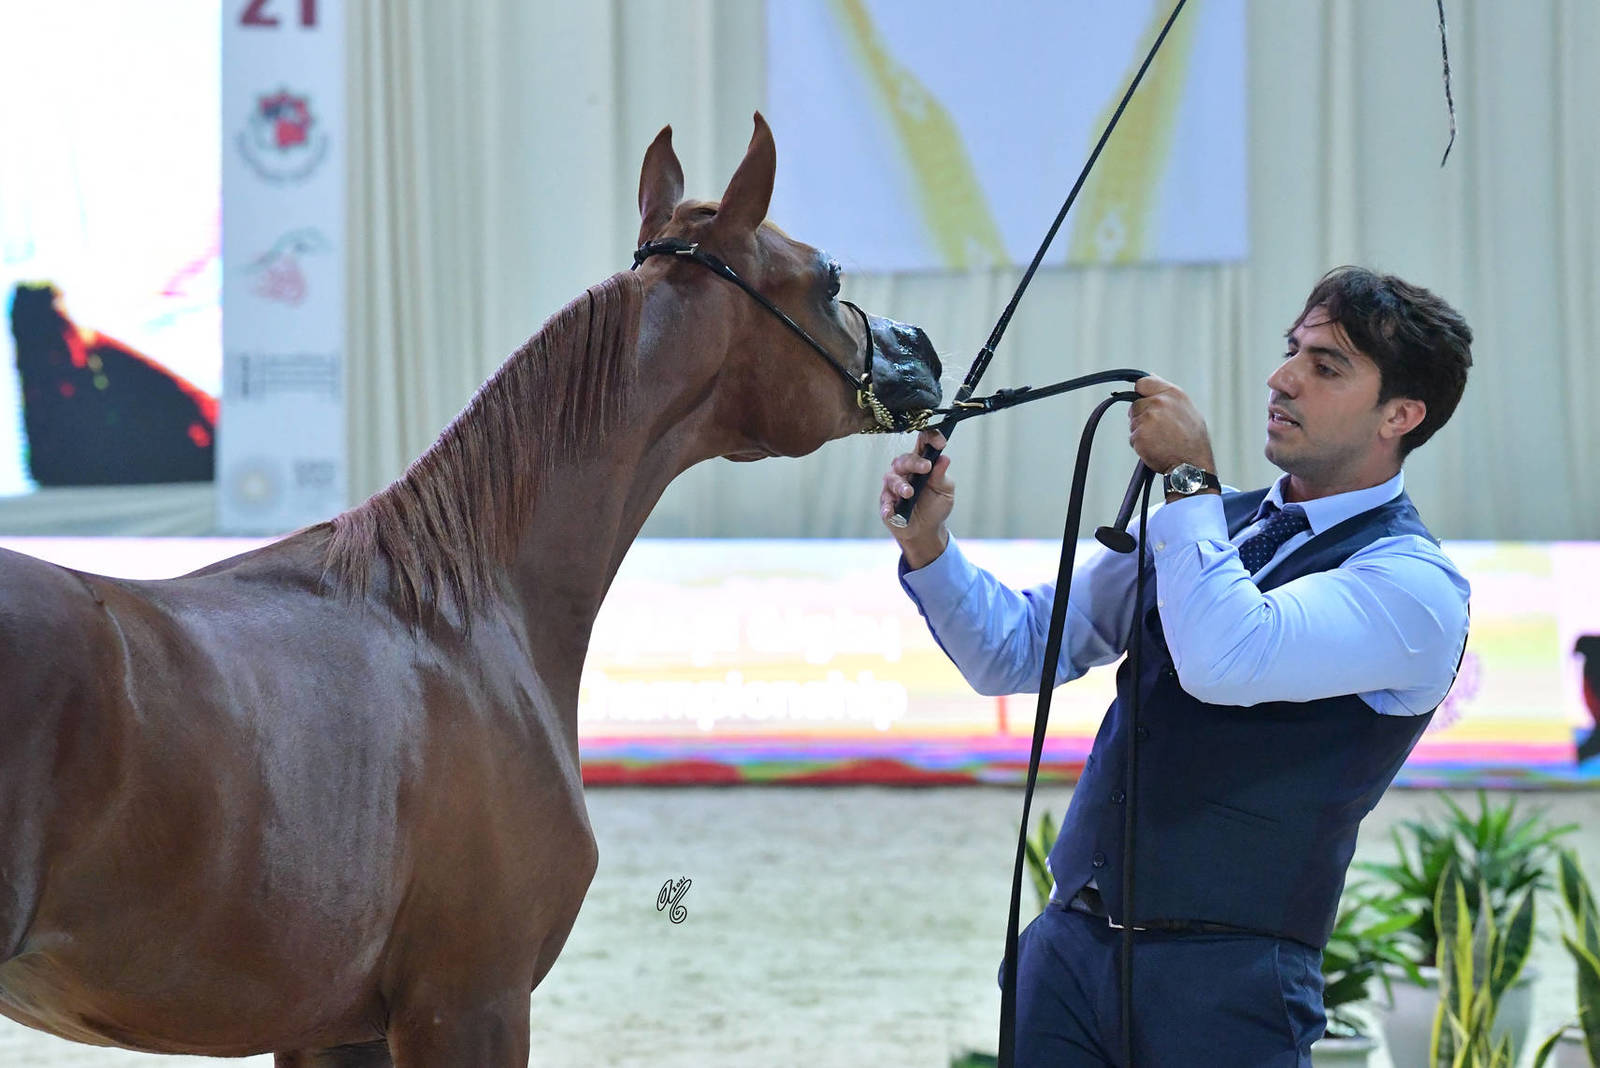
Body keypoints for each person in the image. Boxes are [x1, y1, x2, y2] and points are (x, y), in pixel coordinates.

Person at [880, 266, 1473, 1066]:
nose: (1282, 377)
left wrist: (1190, 478)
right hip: (1069, 951)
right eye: (1291, 350)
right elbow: (1018, 648)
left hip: (1229, 984)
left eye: (1325, 366)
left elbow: (1226, 654)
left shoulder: (1414, 586)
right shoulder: (1205, 526)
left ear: (1400, 415)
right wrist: (929, 546)